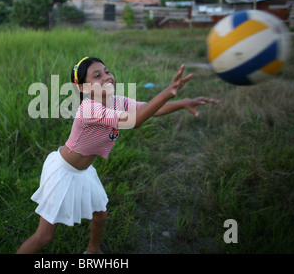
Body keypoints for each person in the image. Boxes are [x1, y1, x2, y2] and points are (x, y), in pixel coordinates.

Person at [16, 57, 219, 254]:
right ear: (83, 88)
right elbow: (134, 120)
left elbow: (149, 109)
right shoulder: (89, 108)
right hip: (64, 172)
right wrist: (167, 93)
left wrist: (182, 102)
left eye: (107, 71)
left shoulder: (116, 102)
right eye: (97, 75)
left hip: (83, 171)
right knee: (44, 238)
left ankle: (93, 250)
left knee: (100, 215)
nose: (106, 77)